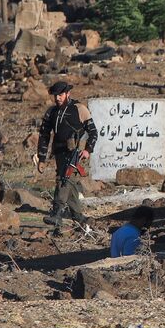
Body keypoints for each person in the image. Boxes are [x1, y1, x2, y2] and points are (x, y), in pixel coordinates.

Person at [36, 81, 97, 234]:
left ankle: (56, 214)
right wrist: (42, 158)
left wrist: (88, 150)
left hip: (75, 153)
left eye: (60, 95)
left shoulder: (80, 109)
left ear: (68, 93)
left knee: (64, 179)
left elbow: (93, 132)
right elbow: (44, 136)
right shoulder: (51, 112)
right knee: (70, 186)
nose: (57, 98)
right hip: (59, 153)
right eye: (55, 95)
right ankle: (79, 218)